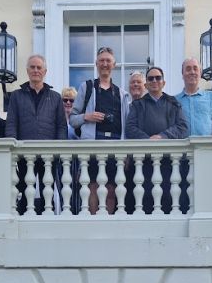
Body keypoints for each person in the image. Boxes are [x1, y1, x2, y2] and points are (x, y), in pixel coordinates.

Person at [5, 55, 68, 213]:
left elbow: (61, 126)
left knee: (50, 190)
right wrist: (12, 151)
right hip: (24, 153)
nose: (35, 70)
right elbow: (11, 123)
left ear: (44, 71)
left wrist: (59, 149)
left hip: (49, 154)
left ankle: (49, 221)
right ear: (27, 71)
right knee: (26, 190)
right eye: (32, 67)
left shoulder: (55, 97)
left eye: (39, 67)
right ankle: (25, 221)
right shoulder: (16, 96)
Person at [70, 46, 127, 213]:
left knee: (111, 190)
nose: (105, 64)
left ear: (114, 64)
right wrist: (87, 117)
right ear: (96, 63)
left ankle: (108, 224)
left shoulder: (121, 94)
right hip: (92, 145)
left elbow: (125, 126)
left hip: (115, 146)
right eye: (101, 60)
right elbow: (72, 120)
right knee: (92, 188)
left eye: (108, 60)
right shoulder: (87, 88)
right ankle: (94, 222)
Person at [126, 66, 189, 214]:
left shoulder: (173, 103)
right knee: (144, 199)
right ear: (146, 84)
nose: (154, 81)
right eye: (151, 78)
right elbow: (130, 128)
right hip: (144, 161)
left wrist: (162, 137)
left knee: (168, 198)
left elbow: (182, 127)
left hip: (168, 161)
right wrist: (148, 140)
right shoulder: (137, 105)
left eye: (158, 78)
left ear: (163, 82)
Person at [175, 57, 212, 136]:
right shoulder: (174, 101)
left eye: (195, 68)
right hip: (182, 146)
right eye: (188, 69)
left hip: (207, 146)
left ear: (200, 73)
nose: (192, 72)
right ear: (182, 74)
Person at [122, 71, 146, 136]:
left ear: (145, 87)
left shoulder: (150, 107)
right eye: (132, 82)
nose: (135, 84)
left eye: (139, 82)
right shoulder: (124, 108)